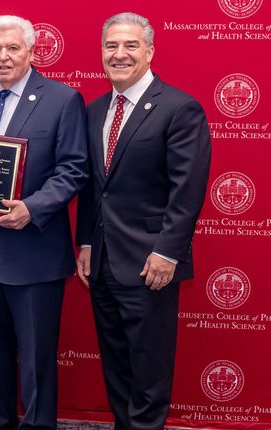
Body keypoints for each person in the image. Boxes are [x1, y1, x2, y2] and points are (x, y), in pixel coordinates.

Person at [0, 15, 89, 430]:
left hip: (34, 252)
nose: (4, 57)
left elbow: (74, 168)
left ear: (31, 51)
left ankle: (38, 424)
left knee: (36, 355)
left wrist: (32, 207)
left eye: (13, 48)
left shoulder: (62, 99)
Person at [75, 12, 211, 430]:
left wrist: (167, 253)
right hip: (102, 263)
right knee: (116, 364)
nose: (119, 54)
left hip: (151, 263)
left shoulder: (179, 108)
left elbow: (187, 190)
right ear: (101, 53)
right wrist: (86, 242)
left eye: (130, 45)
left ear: (150, 52)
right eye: (111, 45)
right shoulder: (94, 110)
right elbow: (92, 187)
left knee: (149, 368)